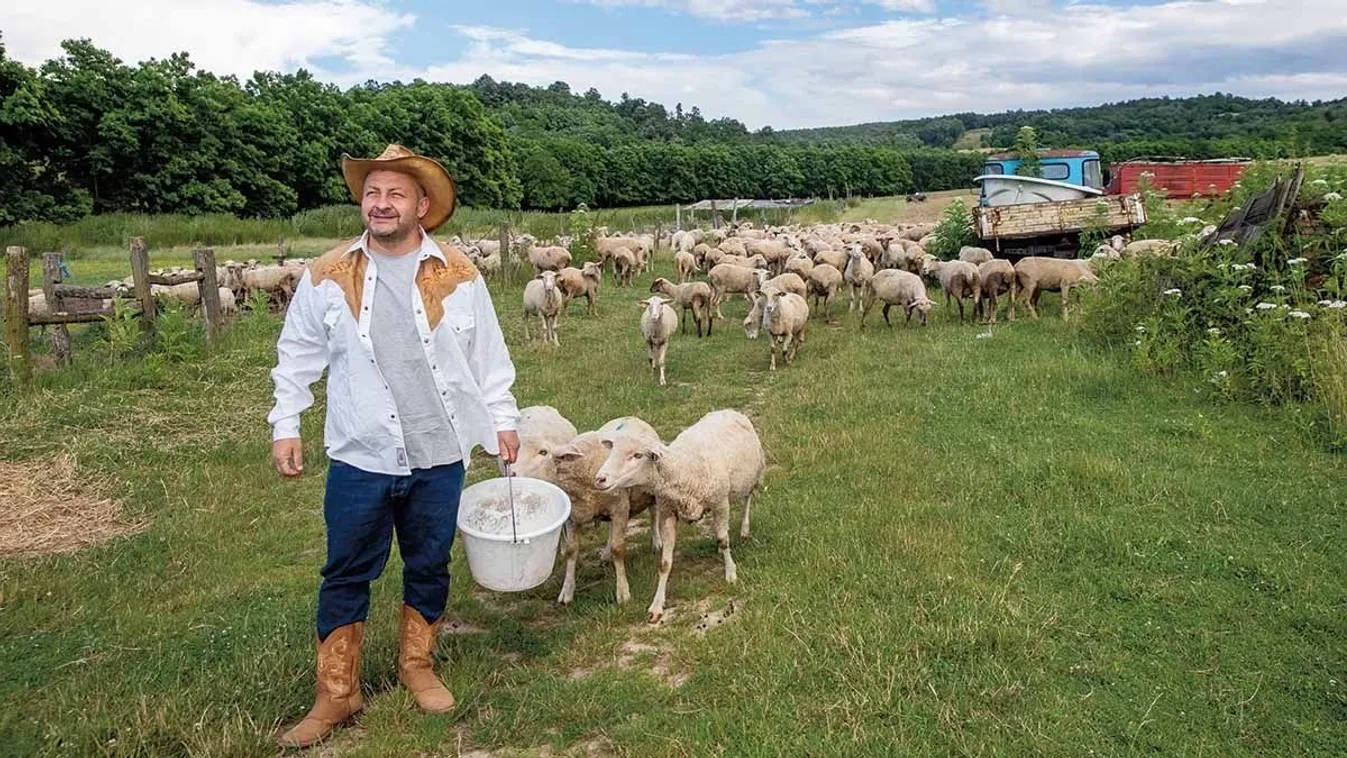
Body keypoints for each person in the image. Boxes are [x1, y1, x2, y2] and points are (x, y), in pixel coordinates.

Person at [267, 144, 520, 748]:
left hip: (440, 451)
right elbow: (296, 353)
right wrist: (286, 423)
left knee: (429, 561)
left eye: (395, 194)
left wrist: (503, 418)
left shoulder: (459, 274)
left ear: (422, 206)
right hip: (362, 452)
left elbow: (488, 355)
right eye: (372, 193)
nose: (380, 204)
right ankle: (337, 693)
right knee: (346, 570)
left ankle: (417, 665)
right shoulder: (328, 275)